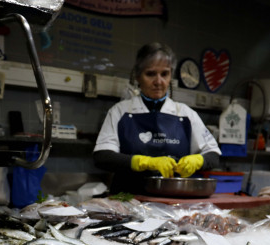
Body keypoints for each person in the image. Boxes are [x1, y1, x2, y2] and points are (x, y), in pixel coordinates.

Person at [94, 42, 221, 193]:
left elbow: (213, 155)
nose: (158, 82)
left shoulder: (186, 114)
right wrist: (144, 162)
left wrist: (198, 160)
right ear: (138, 76)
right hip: (127, 201)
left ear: (170, 76)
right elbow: (102, 157)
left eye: (164, 74)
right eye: (150, 74)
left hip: (172, 202)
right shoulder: (120, 112)